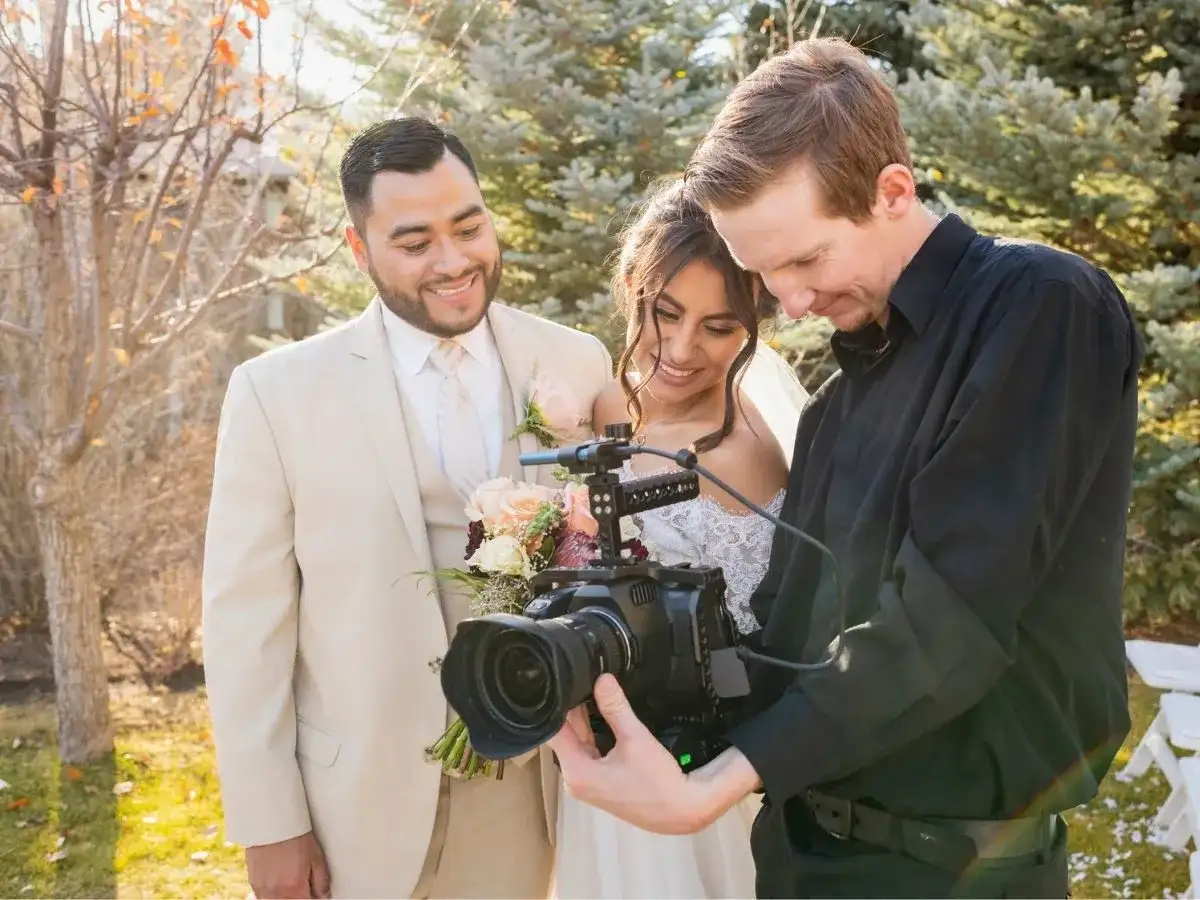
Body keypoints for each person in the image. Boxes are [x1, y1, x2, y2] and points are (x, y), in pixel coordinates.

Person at [547, 37, 1143, 899]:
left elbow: (950, 619)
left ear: (892, 191)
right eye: (764, 275)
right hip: (798, 858)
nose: (788, 304)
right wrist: (606, 677)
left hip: (948, 874)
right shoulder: (836, 405)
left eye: (805, 261)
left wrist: (715, 786)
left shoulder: (1039, 307)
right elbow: (789, 644)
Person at [201, 116, 613, 899]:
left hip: (542, 796)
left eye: (469, 226)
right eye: (415, 242)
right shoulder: (275, 394)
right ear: (360, 252)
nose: (454, 261)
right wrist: (269, 822)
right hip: (356, 810)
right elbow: (242, 623)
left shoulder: (575, 362)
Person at [553, 180, 808, 899]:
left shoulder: (742, 451)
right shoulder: (608, 405)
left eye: (719, 327)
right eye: (665, 313)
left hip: (693, 765)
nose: (682, 348)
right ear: (634, 286)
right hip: (604, 757)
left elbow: (764, 634)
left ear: (754, 328)